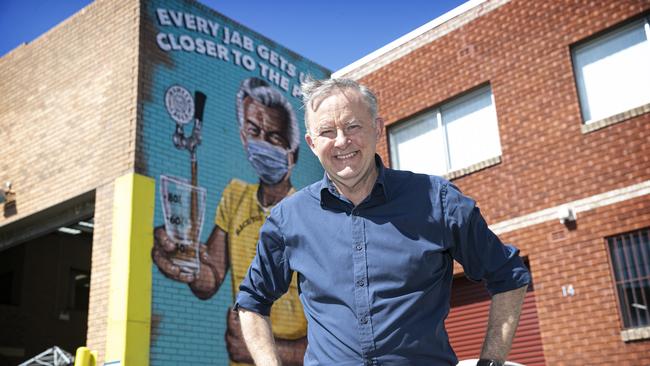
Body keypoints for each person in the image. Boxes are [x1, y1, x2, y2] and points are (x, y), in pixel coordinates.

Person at [235, 78, 531, 366]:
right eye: (327, 131)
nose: (341, 141)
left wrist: (491, 361)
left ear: (376, 128)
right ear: (312, 144)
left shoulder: (436, 200)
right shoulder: (289, 218)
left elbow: (509, 276)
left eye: (353, 126)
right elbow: (251, 302)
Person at [152, 77, 307, 366]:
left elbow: (337, 329)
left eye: (274, 137)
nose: (261, 143)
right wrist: (186, 260)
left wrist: (262, 350)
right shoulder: (235, 195)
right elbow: (211, 277)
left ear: (293, 152)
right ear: (242, 136)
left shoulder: (309, 212)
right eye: (254, 131)